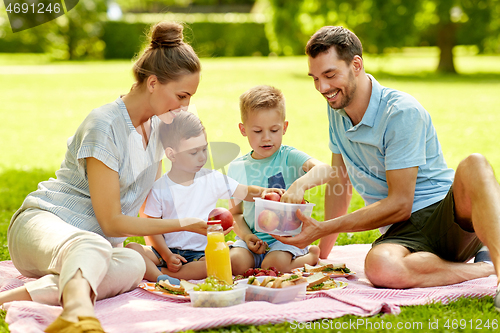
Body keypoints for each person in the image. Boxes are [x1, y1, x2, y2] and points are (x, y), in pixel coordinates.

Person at [0, 21, 208, 332]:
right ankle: (79, 313)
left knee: (134, 263)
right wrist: (185, 225)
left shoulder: (160, 132)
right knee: (96, 245)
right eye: (181, 95)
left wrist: (166, 249)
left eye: (189, 97)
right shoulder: (105, 125)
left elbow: (146, 207)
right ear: (153, 83)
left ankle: (11, 299)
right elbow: (111, 222)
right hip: (43, 227)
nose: (185, 106)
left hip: (93, 248)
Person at [273, 25, 500, 310]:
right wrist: (324, 255)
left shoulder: (401, 112)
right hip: (401, 234)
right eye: (315, 78)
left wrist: (321, 228)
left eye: (330, 75)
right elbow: (340, 184)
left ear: (356, 65)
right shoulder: (337, 113)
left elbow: (401, 204)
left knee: (475, 163)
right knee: (380, 267)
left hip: (446, 216)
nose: (323, 88)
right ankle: (483, 269)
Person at [126, 111, 284, 282]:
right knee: (132, 248)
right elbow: (153, 229)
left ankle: (164, 275)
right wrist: (167, 254)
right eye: (193, 153)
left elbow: (242, 191)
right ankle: (161, 276)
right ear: (171, 154)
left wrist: (263, 192)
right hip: (165, 250)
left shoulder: (211, 178)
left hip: (200, 254)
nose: (202, 157)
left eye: (204, 149)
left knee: (215, 264)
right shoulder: (159, 188)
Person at [228, 85, 337, 275]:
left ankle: (310, 255)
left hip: (287, 240)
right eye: (257, 131)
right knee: (234, 264)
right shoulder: (237, 168)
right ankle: (254, 255)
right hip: (254, 240)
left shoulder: (289, 157)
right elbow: (235, 214)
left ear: (284, 127)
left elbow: (326, 170)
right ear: (243, 129)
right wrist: (247, 237)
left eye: (274, 130)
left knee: (274, 266)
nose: (266, 138)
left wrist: (299, 185)